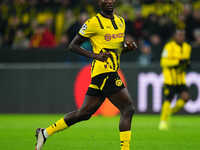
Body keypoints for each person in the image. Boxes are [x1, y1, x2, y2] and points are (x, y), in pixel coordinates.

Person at [35, 0, 137, 150]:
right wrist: (94, 55)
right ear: (99, 3)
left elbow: (117, 49)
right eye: (104, 0)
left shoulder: (121, 21)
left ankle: (45, 132)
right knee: (128, 108)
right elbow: (73, 46)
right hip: (104, 72)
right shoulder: (93, 22)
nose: (108, 2)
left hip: (109, 71)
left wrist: (127, 48)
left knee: (84, 113)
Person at [159, 29, 191, 130]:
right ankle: (163, 122)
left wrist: (186, 64)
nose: (181, 37)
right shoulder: (169, 46)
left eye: (183, 35)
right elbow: (163, 62)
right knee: (169, 98)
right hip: (170, 79)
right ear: (175, 36)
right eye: (179, 35)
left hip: (181, 79)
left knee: (185, 98)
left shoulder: (187, 47)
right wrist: (177, 62)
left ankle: (170, 111)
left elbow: (186, 62)